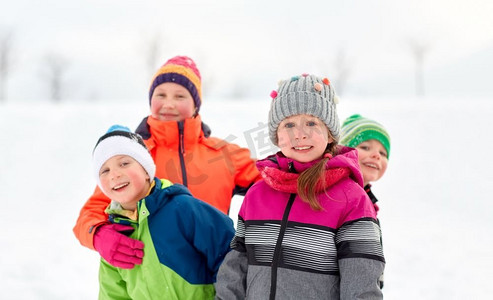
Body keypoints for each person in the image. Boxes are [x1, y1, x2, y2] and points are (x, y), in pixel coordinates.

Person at [73, 55, 261, 269]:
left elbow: (275, 177)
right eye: (160, 94)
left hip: (214, 275)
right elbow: (91, 212)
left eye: (180, 96)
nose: (169, 104)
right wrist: (99, 234)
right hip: (153, 278)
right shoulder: (133, 157)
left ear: (196, 105)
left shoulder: (224, 154)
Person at [215, 74, 385, 299]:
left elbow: (361, 285)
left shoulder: (351, 198)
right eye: (289, 124)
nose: (300, 133)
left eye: (312, 123)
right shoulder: (258, 194)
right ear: (277, 135)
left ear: (330, 133)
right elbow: (236, 267)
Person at [92, 125, 235, 299]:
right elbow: (113, 294)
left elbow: (229, 256)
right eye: (104, 171)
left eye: (124, 163)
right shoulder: (113, 238)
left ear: (146, 171)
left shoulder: (183, 209)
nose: (114, 174)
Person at [339, 114, 391, 212]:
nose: (377, 155)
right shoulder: (335, 195)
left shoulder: (367, 200)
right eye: (365, 147)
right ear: (343, 151)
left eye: (383, 153)